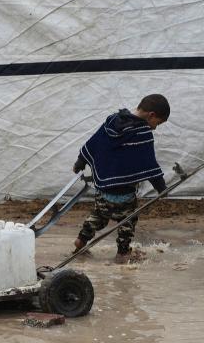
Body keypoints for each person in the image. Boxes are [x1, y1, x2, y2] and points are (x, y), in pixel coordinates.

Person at [72, 94, 170, 264]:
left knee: (98, 216)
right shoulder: (142, 132)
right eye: (158, 123)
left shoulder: (112, 121)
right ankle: (123, 254)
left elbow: (95, 141)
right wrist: (162, 188)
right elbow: (149, 163)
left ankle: (81, 241)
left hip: (103, 187)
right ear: (151, 115)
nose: (155, 128)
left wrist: (81, 160)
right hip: (125, 191)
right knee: (127, 222)